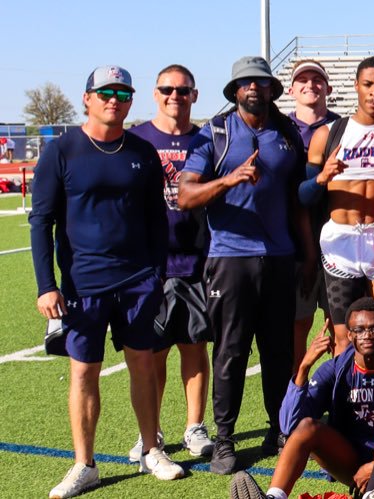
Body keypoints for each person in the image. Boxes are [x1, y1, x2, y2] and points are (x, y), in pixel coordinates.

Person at [32, 65, 183, 498]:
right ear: (87, 98)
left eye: (121, 92)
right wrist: (47, 284)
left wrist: (157, 272)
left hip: (138, 280)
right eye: (104, 92)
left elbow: (157, 218)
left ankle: (151, 449)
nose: (113, 99)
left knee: (144, 366)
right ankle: (85, 464)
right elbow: (41, 221)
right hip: (83, 285)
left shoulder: (141, 151)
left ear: (131, 99)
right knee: (83, 373)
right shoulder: (61, 151)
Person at [179, 56, 317, 473]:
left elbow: (296, 202)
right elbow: (186, 196)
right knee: (231, 351)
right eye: (245, 83)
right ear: (234, 91)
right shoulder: (216, 133)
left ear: (272, 90)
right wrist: (229, 179)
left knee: (277, 351)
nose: (253, 88)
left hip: (277, 260)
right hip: (230, 260)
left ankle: (278, 426)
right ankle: (224, 439)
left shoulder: (287, 135)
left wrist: (308, 253)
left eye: (260, 82)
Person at [227, 298, 374, 499]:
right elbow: (289, 426)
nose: (366, 336)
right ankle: (274, 496)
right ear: (350, 335)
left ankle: (372, 495)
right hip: (351, 463)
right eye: (359, 330)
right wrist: (304, 368)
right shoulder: (336, 368)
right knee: (308, 426)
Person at [131, 64, 215, 461]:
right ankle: (152, 431)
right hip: (150, 263)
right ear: (155, 92)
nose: (174, 96)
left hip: (198, 260)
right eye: (167, 89)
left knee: (194, 347)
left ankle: (194, 426)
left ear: (195, 95)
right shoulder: (137, 139)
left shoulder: (208, 140)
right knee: (152, 353)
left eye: (183, 91)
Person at [302, 56, 374, 353]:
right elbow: (303, 196)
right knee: (344, 339)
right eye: (368, 84)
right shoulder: (328, 134)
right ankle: (343, 400)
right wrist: (322, 177)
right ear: (356, 86)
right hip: (341, 242)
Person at [285, 59, 340, 368]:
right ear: (292, 89)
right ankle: (299, 389)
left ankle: (343, 395)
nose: (310, 84)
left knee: (341, 322)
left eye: (317, 79)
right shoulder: (281, 128)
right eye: (302, 80)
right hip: (293, 241)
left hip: (338, 238)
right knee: (298, 324)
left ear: (328, 88)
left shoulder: (343, 126)